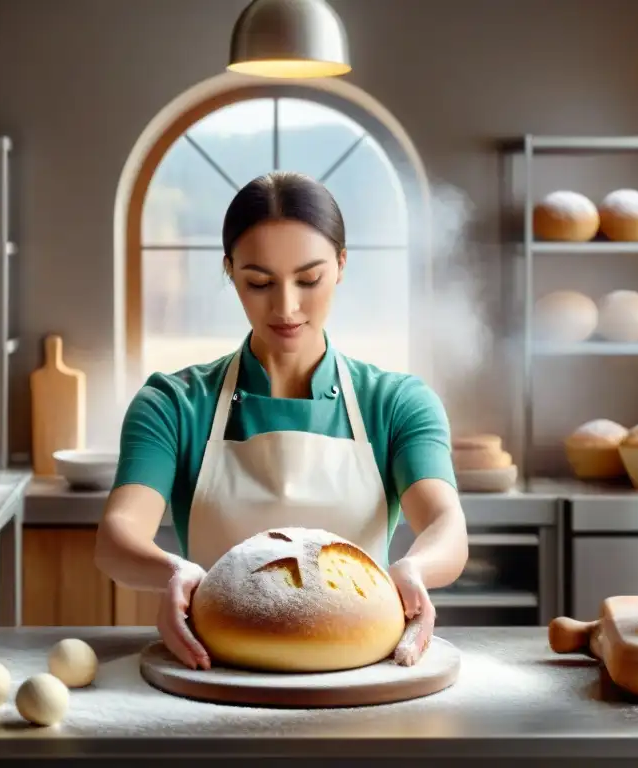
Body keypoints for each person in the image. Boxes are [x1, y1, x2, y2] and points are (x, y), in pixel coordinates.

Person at [95, 170, 469, 671]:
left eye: (309, 279)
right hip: (216, 672)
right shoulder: (174, 402)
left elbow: (447, 523)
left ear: (340, 265)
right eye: (259, 282)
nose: (287, 306)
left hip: (361, 677)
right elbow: (117, 537)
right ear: (230, 271)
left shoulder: (397, 402)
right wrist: (172, 571)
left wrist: (415, 568)